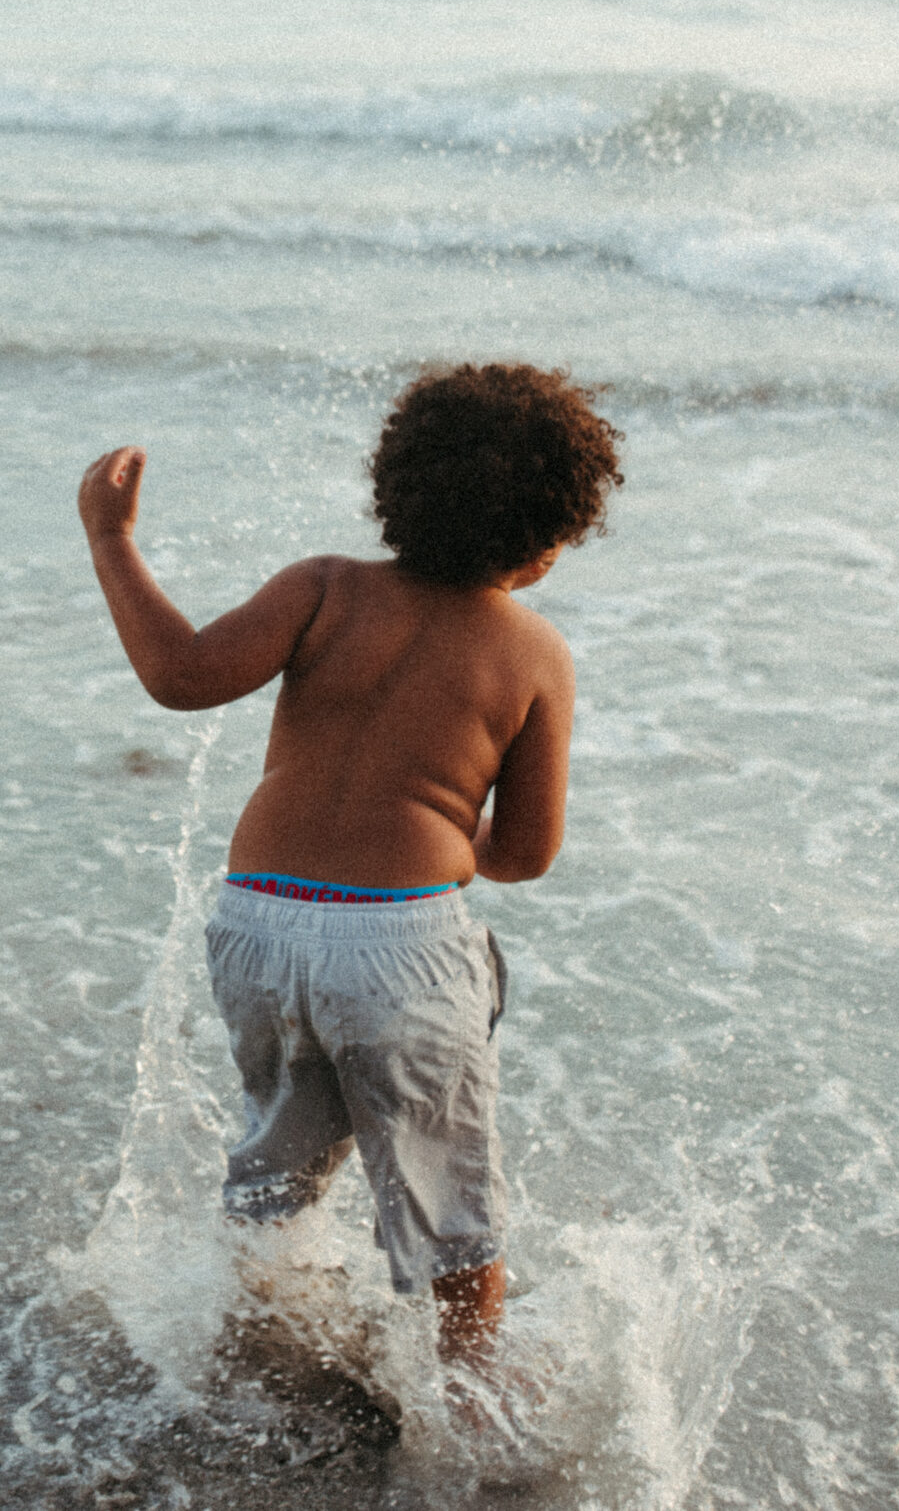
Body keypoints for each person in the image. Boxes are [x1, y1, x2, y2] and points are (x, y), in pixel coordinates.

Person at [77, 363, 622, 1371]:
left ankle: (251, 1363)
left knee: (277, 1173)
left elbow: (181, 677)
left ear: (393, 489)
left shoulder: (321, 586)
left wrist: (112, 539)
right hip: (396, 951)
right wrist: (440, 821)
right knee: (453, 1220)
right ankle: (471, 1419)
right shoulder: (533, 653)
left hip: (256, 927)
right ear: (551, 544)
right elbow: (524, 854)